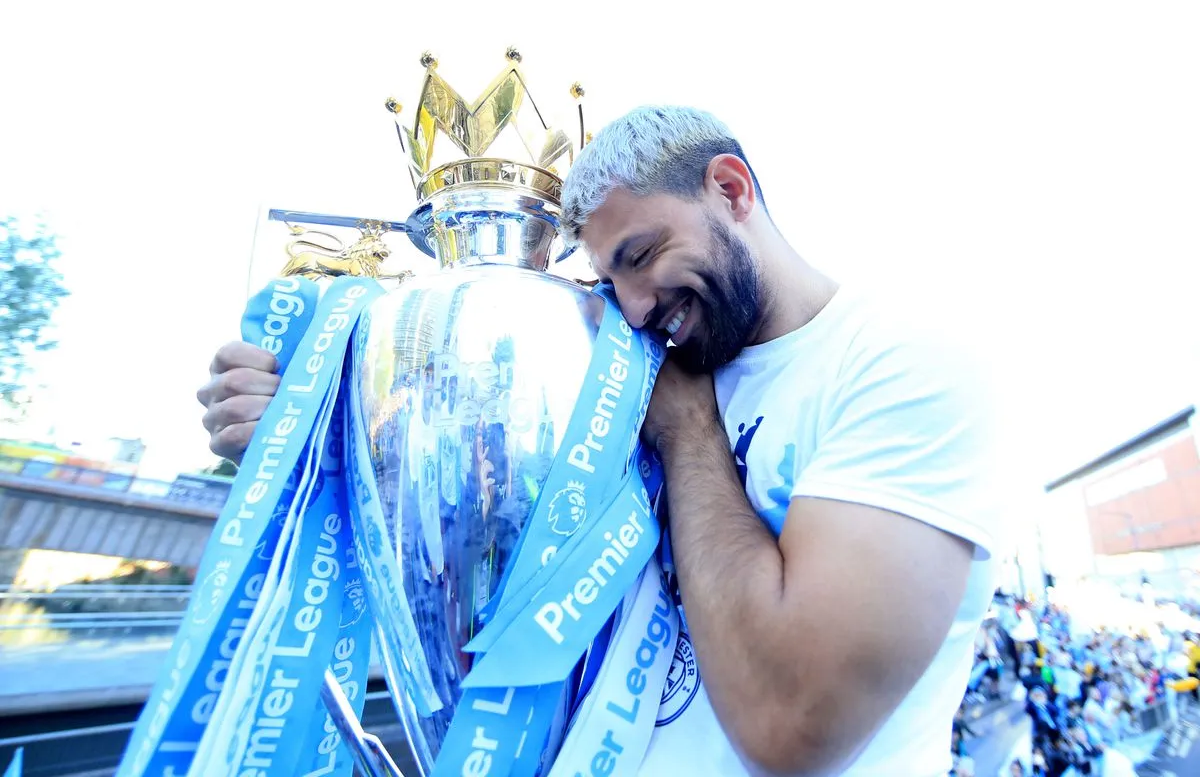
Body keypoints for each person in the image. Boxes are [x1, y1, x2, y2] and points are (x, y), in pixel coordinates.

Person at [197, 105, 1007, 775]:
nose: (638, 307)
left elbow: (790, 724)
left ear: (730, 188)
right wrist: (315, 443)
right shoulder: (646, 372)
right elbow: (476, 533)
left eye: (644, 255)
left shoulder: (903, 362)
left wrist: (691, 434)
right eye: (610, 283)